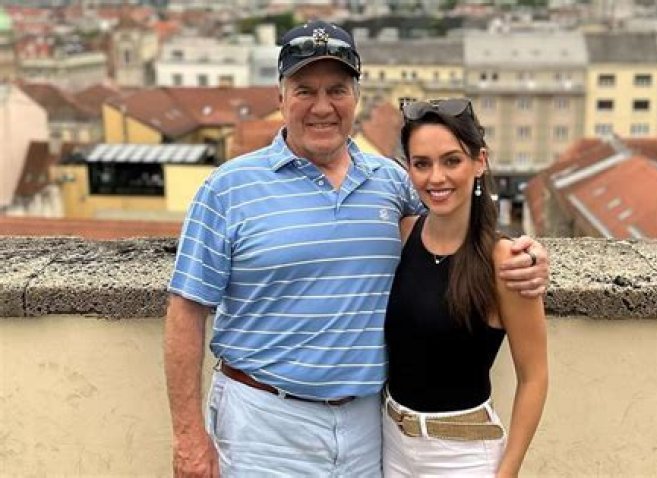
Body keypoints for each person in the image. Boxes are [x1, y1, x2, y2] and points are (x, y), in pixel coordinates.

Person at [164, 21, 549, 477]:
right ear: (280, 97)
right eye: (305, 90)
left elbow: (452, 219)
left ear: (356, 97)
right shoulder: (228, 187)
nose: (322, 106)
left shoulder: (391, 182)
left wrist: (526, 254)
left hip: (368, 429)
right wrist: (188, 436)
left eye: (337, 90)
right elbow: (186, 311)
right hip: (263, 426)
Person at [382, 98, 548, 477]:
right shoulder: (403, 235)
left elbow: (534, 377)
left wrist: (508, 470)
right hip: (392, 444)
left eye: (451, 161)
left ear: (479, 161)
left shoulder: (505, 261)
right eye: (422, 164)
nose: (436, 177)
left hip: (463, 455)